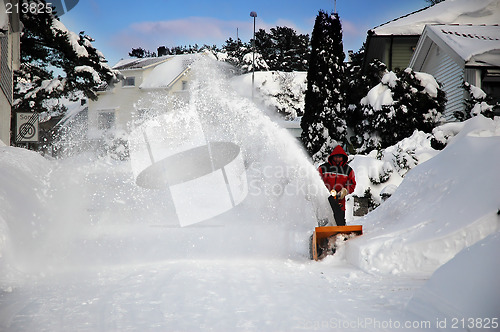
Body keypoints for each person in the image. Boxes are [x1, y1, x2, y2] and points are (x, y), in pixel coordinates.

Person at [318, 145, 356, 226]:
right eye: (336, 157)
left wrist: (345, 191)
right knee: (324, 225)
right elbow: (316, 179)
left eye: (340, 157)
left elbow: (352, 184)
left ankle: (340, 237)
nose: (338, 159)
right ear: (332, 157)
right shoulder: (324, 168)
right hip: (325, 201)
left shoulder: (348, 170)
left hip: (339, 202)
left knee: (339, 223)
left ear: (343, 158)